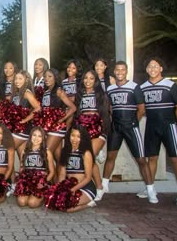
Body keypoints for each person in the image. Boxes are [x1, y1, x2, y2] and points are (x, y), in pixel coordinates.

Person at [100, 61, 156, 203]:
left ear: (126, 71)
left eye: (122, 70)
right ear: (114, 71)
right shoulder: (111, 88)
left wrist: (133, 122)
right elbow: (110, 107)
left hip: (130, 126)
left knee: (141, 159)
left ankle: (150, 189)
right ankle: (104, 186)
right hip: (116, 127)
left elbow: (141, 108)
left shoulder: (134, 87)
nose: (120, 72)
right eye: (117, 70)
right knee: (110, 157)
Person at [140, 57, 177, 206]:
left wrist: (173, 121)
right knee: (152, 158)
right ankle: (150, 188)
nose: (152, 69)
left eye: (155, 66)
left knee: (175, 158)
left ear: (161, 68)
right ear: (147, 70)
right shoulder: (143, 87)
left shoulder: (170, 85)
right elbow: (141, 107)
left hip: (168, 126)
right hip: (152, 126)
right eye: (149, 66)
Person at [74, 70, 111, 201]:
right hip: (84, 131)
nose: (88, 81)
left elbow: (107, 114)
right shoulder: (80, 95)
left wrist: (101, 127)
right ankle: (99, 187)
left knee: (88, 155)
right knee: (88, 159)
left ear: (95, 81)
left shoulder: (101, 95)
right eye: (85, 78)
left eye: (91, 79)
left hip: (98, 130)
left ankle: (99, 187)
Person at [39, 69, 76, 167]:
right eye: (45, 76)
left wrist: (62, 119)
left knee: (45, 154)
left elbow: (73, 108)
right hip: (48, 127)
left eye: (50, 76)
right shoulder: (46, 91)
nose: (47, 79)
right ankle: (60, 181)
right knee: (58, 159)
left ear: (55, 78)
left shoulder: (59, 91)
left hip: (57, 128)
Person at [57, 126, 97, 212]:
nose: (74, 139)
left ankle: (89, 204)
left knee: (67, 208)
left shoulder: (86, 153)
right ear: (69, 136)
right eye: (73, 135)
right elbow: (62, 174)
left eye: (78, 136)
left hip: (85, 188)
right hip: (70, 187)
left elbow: (88, 178)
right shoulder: (65, 151)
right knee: (58, 203)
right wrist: (60, 189)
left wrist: (73, 189)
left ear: (83, 138)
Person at [16, 126, 55, 208]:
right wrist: (21, 182)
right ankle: (30, 195)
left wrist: (44, 182)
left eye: (39, 136)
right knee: (21, 202)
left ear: (43, 138)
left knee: (32, 203)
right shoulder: (24, 151)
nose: (36, 138)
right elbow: (22, 168)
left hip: (40, 183)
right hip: (27, 182)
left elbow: (52, 172)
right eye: (34, 135)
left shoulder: (47, 152)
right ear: (30, 137)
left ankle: (44, 196)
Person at [9, 70, 41, 158]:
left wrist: (25, 120)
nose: (17, 81)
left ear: (26, 80)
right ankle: (24, 172)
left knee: (8, 152)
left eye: (20, 78)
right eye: (15, 78)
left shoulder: (26, 93)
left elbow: (38, 108)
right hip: (17, 128)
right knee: (23, 158)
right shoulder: (16, 93)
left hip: (23, 129)